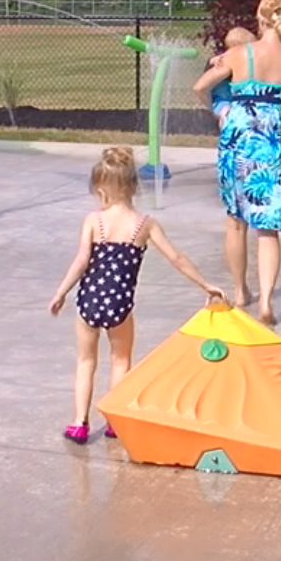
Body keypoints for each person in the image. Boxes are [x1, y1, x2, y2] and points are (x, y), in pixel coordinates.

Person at [48, 145, 225, 444]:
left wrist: (61, 292)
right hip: (120, 303)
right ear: (133, 186)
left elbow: (81, 261)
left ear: (100, 188)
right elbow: (176, 258)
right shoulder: (145, 225)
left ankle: (79, 423)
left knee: (85, 361)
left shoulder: (94, 221)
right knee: (120, 359)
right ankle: (115, 420)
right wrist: (205, 283)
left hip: (88, 300)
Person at [192, 0, 281, 326]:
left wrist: (223, 109)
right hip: (273, 137)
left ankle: (241, 290)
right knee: (268, 227)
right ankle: (267, 302)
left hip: (239, 136)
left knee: (236, 220)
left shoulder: (239, 53)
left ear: (260, 16)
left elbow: (200, 87)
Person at [204, 26, 256, 131]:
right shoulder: (223, 59)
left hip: (236, 100)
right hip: (221, 100)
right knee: (225, 109)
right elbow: (204, 78)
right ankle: (224, 120)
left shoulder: (246, 62)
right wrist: (211, 62)